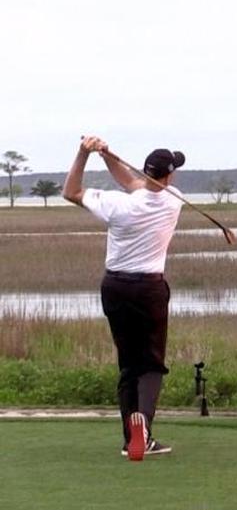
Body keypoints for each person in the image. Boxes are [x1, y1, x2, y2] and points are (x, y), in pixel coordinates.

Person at [63, 135, 185, 461]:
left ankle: (129, 438)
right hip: (149, 289)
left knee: (129, 365)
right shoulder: (174, 199)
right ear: (169, 176)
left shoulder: (119, 204)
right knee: (152, 366)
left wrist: (85, 154)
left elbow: (71, 191)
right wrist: (107, 156)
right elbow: (134, 182)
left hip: (115, 288)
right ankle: (142, 428)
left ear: (147, 174)